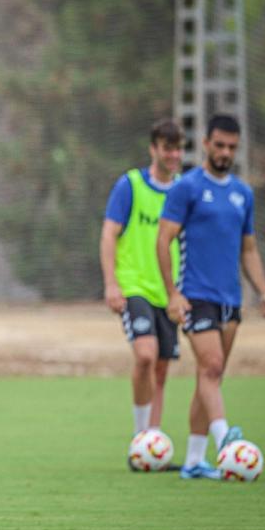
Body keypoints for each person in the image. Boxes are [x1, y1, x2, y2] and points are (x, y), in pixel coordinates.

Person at [157, 113, 265, 480]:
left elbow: (249, 250)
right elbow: (163, 240)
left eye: (232, 147)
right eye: (220, 145)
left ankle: (195, 461)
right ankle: (226, 440)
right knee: (211, 366)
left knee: (210, 376)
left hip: (230, 298)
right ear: (207, 144)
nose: (225, 152)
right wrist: (172, 293)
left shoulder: (243, 194)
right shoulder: (188, 188)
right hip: (195, 296)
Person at [99, 119, 183, 458]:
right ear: (154, 149)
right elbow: (109, 234)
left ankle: (154, 441)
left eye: (178, 148)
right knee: (146, 356)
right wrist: (111, 283)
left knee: (161, 368)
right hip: (135, 287)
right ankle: (140, 438)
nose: (173, 155)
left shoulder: (183, 190)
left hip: (170, 292)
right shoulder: (130, 185)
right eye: (167, 147)